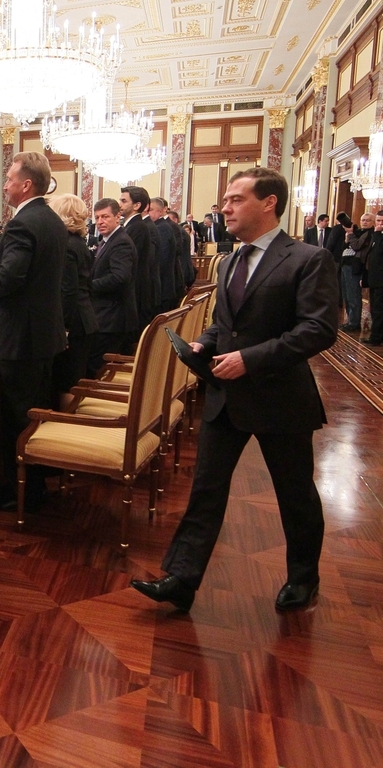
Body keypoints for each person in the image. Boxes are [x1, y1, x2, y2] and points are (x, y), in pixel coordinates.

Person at [131, 167, 339, 613]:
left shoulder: (307, 258)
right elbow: (226, 324)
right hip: (226, 397)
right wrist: (204, 343)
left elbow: (318, 330)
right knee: (206, 489)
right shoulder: (229, 261)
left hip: (280, 398)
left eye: (235, 199)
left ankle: (304, 578)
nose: (224, 208)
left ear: (269, 203)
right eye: (225, 200)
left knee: (295, 494)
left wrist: (250, 358)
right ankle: (182, 579)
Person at [0, 152, 67, 510]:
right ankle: (36, 484)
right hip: (44, 335)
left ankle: (22, 493)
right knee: (36, 412)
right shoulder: (53, 220)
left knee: (19, 418)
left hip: (21, 340)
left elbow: (11, 276)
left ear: (26, 184)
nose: (5, 185)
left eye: (10, 179)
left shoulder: (22, 224)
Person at [48, 194, 98, 411]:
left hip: (73, 324)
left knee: (66, 383)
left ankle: (66, 424)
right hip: (84, 319)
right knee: (72, 380)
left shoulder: (67, 245)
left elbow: (67, 291)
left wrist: (63, 329)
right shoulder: (78, 243)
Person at [87, 197, 139, 378]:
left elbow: (120, 278)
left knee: (96, 369)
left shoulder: (120, 242)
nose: (100, 222)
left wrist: (88, 286)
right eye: (97, 217)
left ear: (118, 217)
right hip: (106, 315)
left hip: (113, 318)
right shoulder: (108, 240)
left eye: (105, 217)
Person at [120, 186, 158, 332]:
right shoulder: (131, 226)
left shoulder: (137, 227)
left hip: (137, 291)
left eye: (124, 201)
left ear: (136, 205)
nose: (119, 204)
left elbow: (129, 262)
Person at [150, 197, 185, 312]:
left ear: (160, 211)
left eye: (151, 210)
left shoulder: (162, 228)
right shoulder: (160, 226)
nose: (147, 213)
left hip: (164, 286)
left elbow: (162, 259)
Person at [341, 212, 373, 332]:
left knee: (353, 295)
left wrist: (350, 234)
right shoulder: (358, 232)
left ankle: (354, 323)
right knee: (346, 295)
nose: (364, 222)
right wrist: (348, 237)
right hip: (346, 265)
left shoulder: (369, 234)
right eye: (363, 220)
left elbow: (357, 246)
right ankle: (350, 320)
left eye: (368, 220)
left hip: (355, 267)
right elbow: (345, 246)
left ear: (373, 222)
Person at [364, 210, 383, 346]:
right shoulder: (375, 236)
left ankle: (376, 337)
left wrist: (377, 234)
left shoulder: (377, 236)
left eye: (382, 222)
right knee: (374, 309)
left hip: (381, 280)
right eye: (378, 221)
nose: (380, 224)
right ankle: (376, 335)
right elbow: (370, 257)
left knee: (379, 310)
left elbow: (378, 253)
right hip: (374, 279)